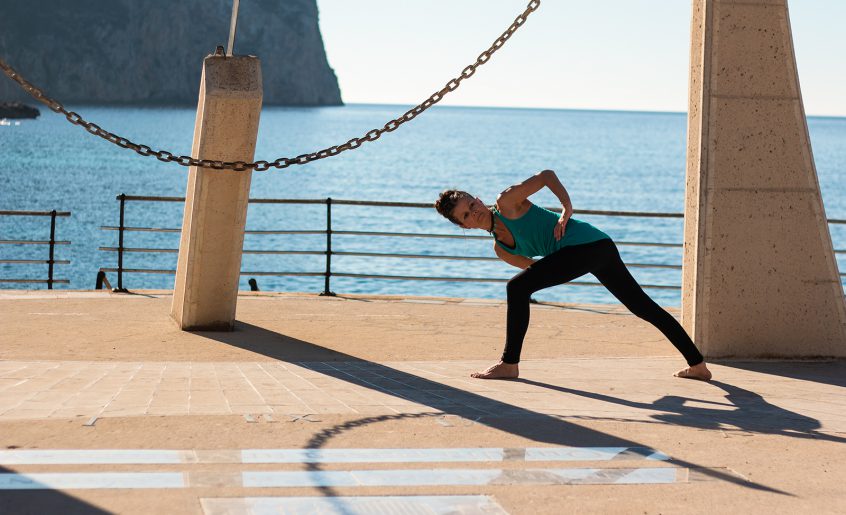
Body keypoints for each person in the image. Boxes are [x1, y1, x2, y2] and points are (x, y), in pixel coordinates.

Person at [434, 169, 712, 381]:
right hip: (589, 251)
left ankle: (509, 364)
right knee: (642, 306)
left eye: (472, 205)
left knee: (516, 289)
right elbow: (536, 270)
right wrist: (548, 272)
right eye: (467, 216)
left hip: (592, 244)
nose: (475, 213)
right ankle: (698, 365)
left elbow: (546, 176)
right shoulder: (502, 249)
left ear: (479, 199)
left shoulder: (507, 202)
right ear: (464, 227)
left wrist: (566, 208)